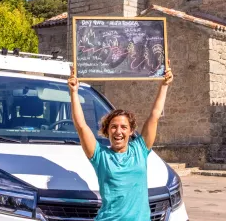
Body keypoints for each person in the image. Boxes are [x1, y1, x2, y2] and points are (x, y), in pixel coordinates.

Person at [68, 63, 174, 221]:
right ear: (107, 130)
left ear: (131, 131)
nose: (118, 131)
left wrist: (164, 85)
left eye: (124, 127)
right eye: (113, 127)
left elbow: (155, 115)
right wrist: (74, 92)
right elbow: (81, 125)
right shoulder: (100, 156)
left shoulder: (140, 149)